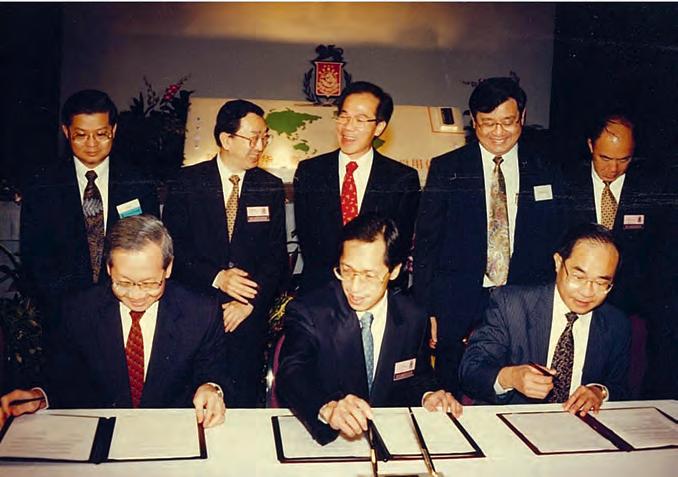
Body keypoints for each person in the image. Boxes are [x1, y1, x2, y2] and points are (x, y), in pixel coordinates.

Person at [413, 77, 567, 395]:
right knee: (452, 392)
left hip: (524, 302)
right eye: (488, 123)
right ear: (473, 121)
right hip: (457, 304)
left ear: (522, 117)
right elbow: (428, 244)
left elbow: (558, 238)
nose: (498, 132)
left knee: (517, 390)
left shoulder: (547, 169)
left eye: (508, 122)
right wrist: (427, 309)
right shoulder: (447, 169)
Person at [1, 215, 228, 428]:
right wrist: (40, 396)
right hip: (98, 432)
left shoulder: (200, 312)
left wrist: (211, 389)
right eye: (124, 283)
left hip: (170, 431)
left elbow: (212, 373)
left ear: (167, 268)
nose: (136, 295)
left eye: (150, 283)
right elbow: (63, 376)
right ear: (109, 269)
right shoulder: (79, 310)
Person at [277, 214, 462, 445]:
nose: (354, 287)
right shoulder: (311, 311)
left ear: (394, 271)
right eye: (346, 271)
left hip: (391, 440)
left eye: (369, 275)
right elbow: (292, 372)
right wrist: (328, 407)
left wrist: (429, 395)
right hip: (330, 440)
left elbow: (416, 375)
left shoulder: (413, 317)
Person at [163, 99, 287, 407]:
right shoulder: (187, 183)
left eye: (265, 138)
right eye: (253, 138)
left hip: (246, 318)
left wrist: (249, 303)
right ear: (226, 139)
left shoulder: (269, 187)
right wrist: (217, 277)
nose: (260, 146)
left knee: (243, 401)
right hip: (195, 312)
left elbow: (275, 259)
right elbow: (173, 250)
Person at [20, 89, 159, 334]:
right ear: (66, 132)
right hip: (62, 312)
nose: (92, 144)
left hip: (125, 308)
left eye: (101, 134)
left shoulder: (138, 183)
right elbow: (34, 257)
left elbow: (149, 247)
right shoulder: (42, 186)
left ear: (114, 130)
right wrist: (66, 305)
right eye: (81, 135)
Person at [459, 223, 631, 414]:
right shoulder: (511, 305)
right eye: (578, 277)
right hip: (514, 421)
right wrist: (511, 377)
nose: (587, 292)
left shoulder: (616, 324)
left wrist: (600, 392)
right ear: (558, 262)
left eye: (601, 283)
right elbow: (471, 370)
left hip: (579, 425)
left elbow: (622, 387)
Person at [294, 81, 420, 294]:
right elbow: (308, 241)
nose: (348, 127)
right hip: (321, 294)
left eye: (360, 119)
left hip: (376, 293)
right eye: (343, 116)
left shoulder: (401, 179)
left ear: (379, 127)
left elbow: (399, 246)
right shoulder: (310, 172)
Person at [563, 112, 668, 316]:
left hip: (630, 307)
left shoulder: (652, 190)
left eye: (624, 159)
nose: (613, 168)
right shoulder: (566, 182)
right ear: (591, 145)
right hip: (576, 297)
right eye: (605, 158)